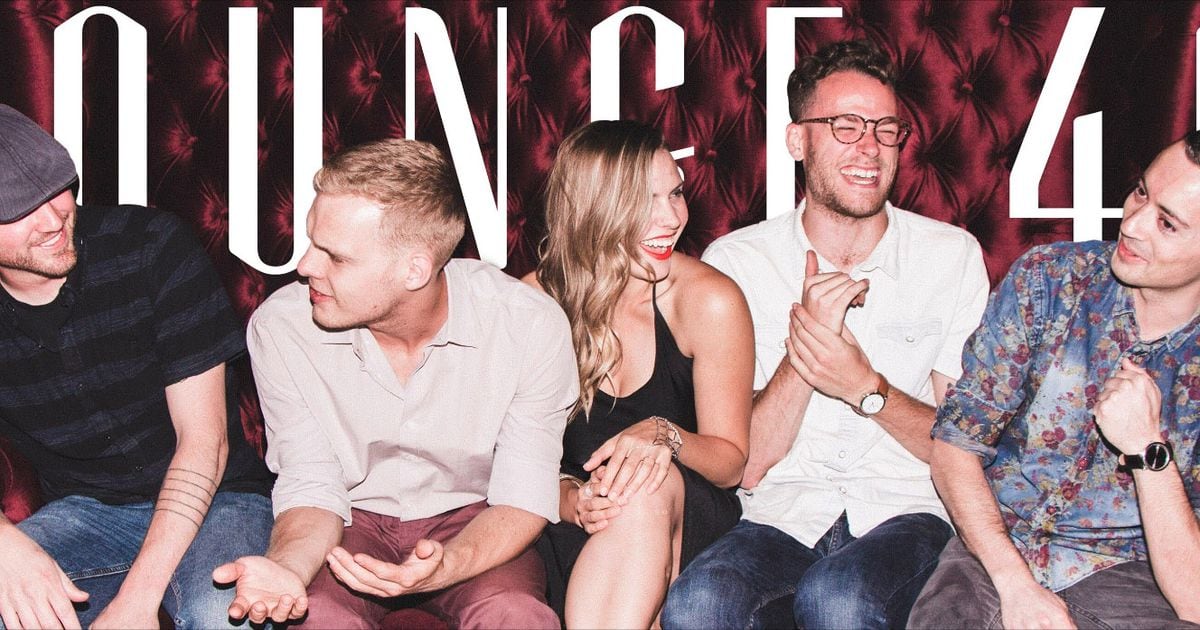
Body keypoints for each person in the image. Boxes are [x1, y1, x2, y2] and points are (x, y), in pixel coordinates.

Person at [660, 39, 990, 629]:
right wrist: (805, 353)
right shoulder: (736, 264)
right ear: (797, 140)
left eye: (886, 129)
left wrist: (868, 389)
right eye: (845, 126)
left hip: (908, 511)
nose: (870, 147)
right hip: (781, 513)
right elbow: (747, 465)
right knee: (697, 604)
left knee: (839, 597)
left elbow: (961, 447)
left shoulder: (951, 256)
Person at [214, 138, 578, 629]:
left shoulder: (528, 324)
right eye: (311, 242)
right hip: (349, 522)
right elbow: (311, 482)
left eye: (335, 257)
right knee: (317, 619)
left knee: (515, 615)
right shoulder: (282, 327)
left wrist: (445, 566)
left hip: (476, 519)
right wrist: (287, 569)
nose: (305, 267)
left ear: (414, 270)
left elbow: (522, 494)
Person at [909, 133, 1200, 628]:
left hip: (1131, 576)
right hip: (994, 552)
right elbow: (955, 447)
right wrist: (1016, 587)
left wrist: (1147, 450)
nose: (1131, 223)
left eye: (1167, 223)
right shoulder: (1050, 280)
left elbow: (1193, 598)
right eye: (1140, 192)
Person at [0, 104, 274, 629]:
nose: (53, 220)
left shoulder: (150, 245)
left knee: (223, 617)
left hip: (217, 499)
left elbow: (205, 442)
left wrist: (137, 601)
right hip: (88, 513)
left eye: (58, 189)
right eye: (17, 210)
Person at [527, 120, 753, 628]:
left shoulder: (709, 301)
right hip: (568, 517)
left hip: (684, 517)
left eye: (675, 193)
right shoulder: (533, 305)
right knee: (623, 502)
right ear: (591, 208)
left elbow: (730, 463)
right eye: (642, 201)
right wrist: (572, 500)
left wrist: (663, 435)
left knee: (643, 485)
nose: (671, 218)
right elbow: (507, 462)